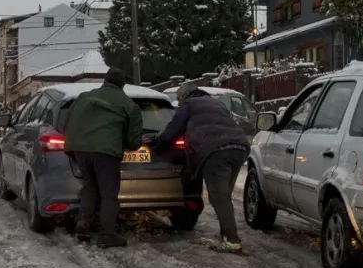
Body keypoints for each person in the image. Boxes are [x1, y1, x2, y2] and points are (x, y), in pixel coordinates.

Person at [154, 81, 251, 253]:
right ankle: (227, 237)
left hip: (216, 151)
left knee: (219, 198)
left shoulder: (188, 105)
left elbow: (172, 131)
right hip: (240, 148)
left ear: (184, 96)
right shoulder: (216, 103)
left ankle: (232, 241)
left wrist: (158, 143)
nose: (179, 102)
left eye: (179, 99)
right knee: (224, 196)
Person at [64, 68, 143, 248]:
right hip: (106, 152)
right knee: (109, 194)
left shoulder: (84, 97)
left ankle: (83, 223)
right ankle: (107, 235)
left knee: (90, 186)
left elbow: (66, 123)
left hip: (79, 148)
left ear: (105, 80)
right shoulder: (128, 104)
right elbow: (133, 141)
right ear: (123, 84)